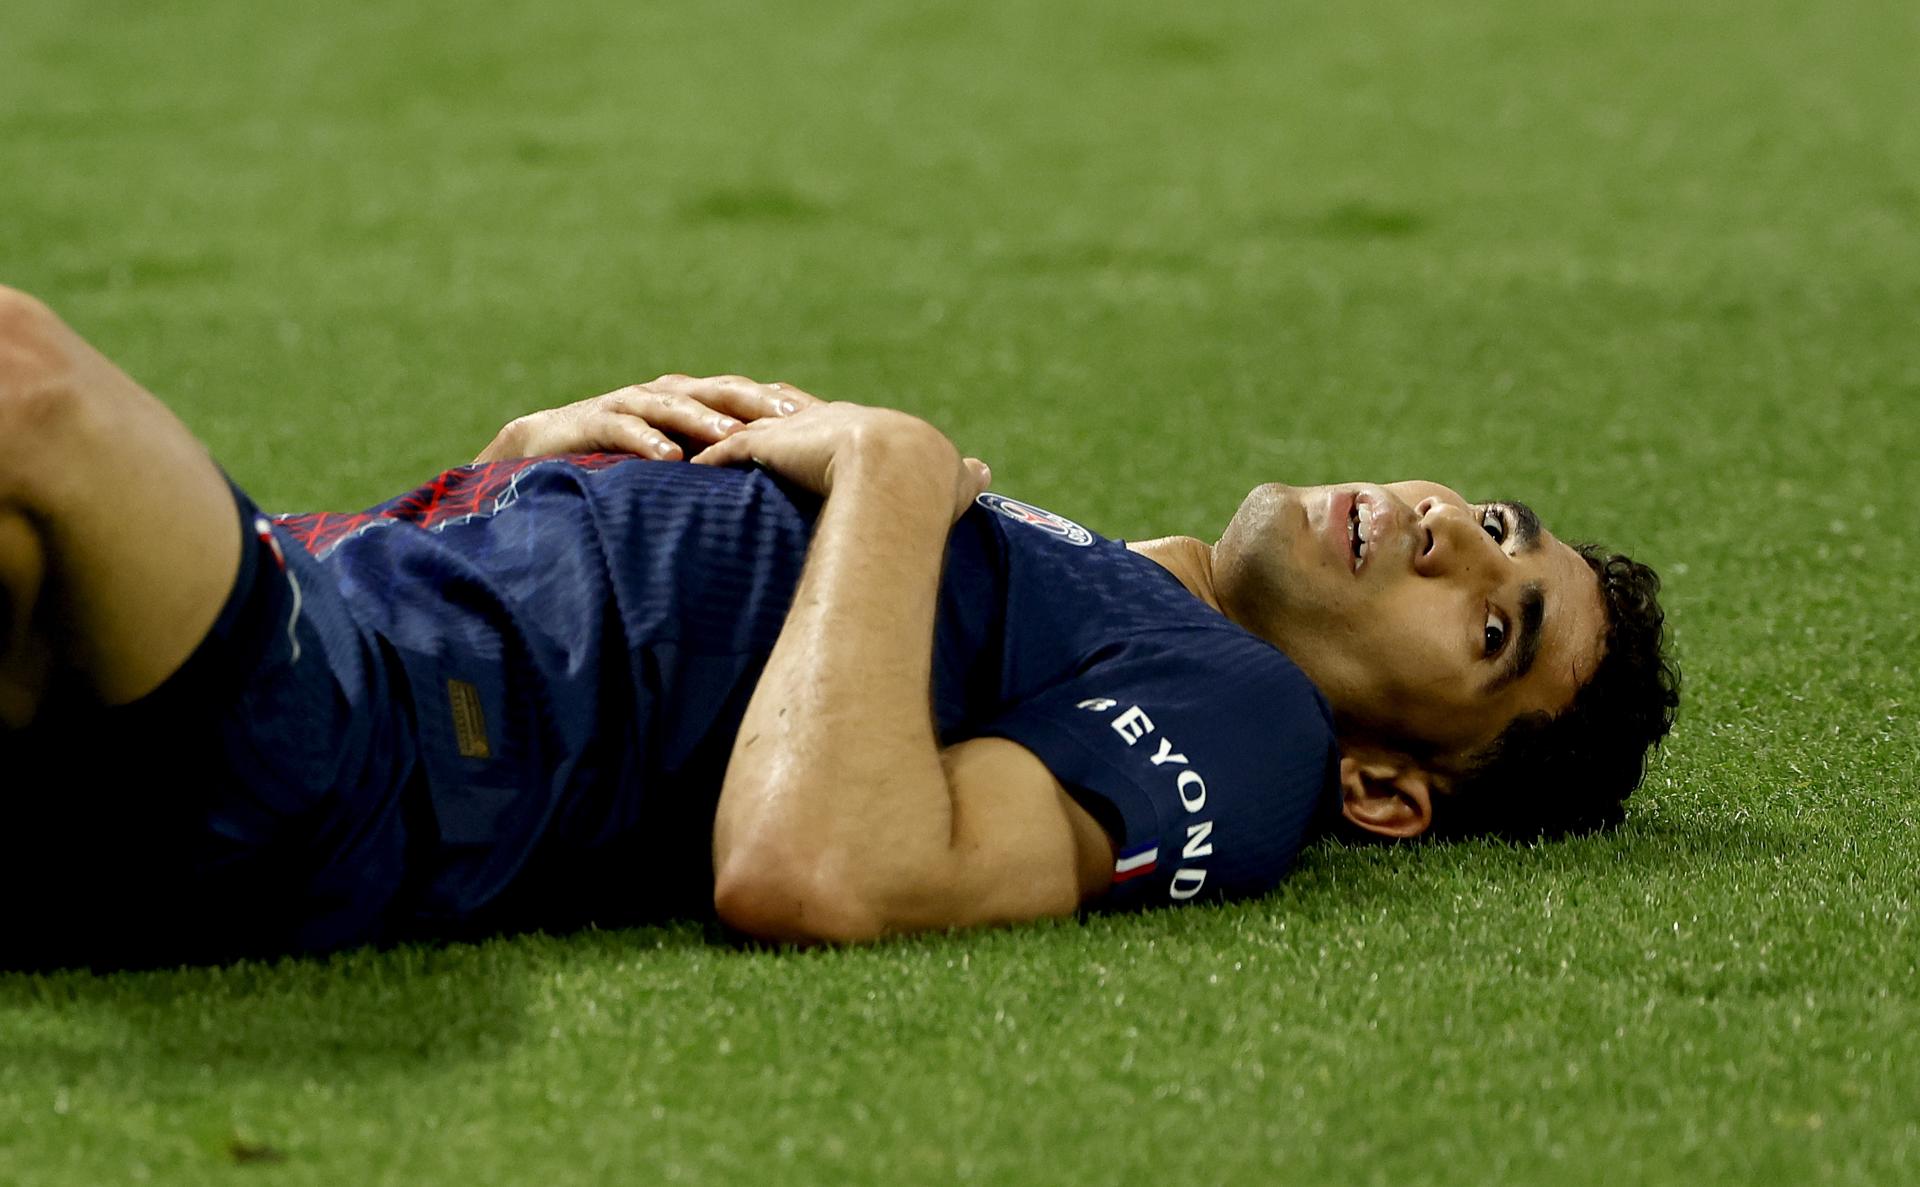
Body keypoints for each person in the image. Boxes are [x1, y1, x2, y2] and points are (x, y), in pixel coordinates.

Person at [0, 287, 1678, 967]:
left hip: (359, 752)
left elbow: (819, 869)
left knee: (29, 392)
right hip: (343, 613)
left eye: (1493, 631)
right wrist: (509, 480)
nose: (1462, 540)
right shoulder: (1090, 582)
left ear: (1394, 789)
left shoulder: (1248, 727)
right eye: (1502, 529)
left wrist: (887, 467)